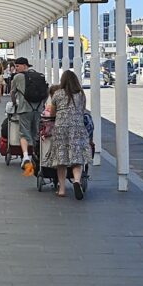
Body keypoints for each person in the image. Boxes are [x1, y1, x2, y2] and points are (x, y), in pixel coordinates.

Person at [46, 68, 91, 200]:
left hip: (61, 129)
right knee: (77, 158)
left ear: (63, 81)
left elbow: (53, 113)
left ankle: (61, 189)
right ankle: (76, 181)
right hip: (77, 129)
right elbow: (82, 110)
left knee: (61, 160)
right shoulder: (81, 94)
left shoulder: (58, 94)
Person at [9, 55, 47, 175]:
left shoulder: (17, 77)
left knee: (24, 133)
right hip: (38, 109)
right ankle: (36, 155)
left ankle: (26, 156)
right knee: (36, 133)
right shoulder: (40, 76)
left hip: (24, 109)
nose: (15, 68)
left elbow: (12, 92)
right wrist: (42, 105)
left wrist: (14, 103)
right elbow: (45, 93)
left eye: (17, 66)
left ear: (24, 65)